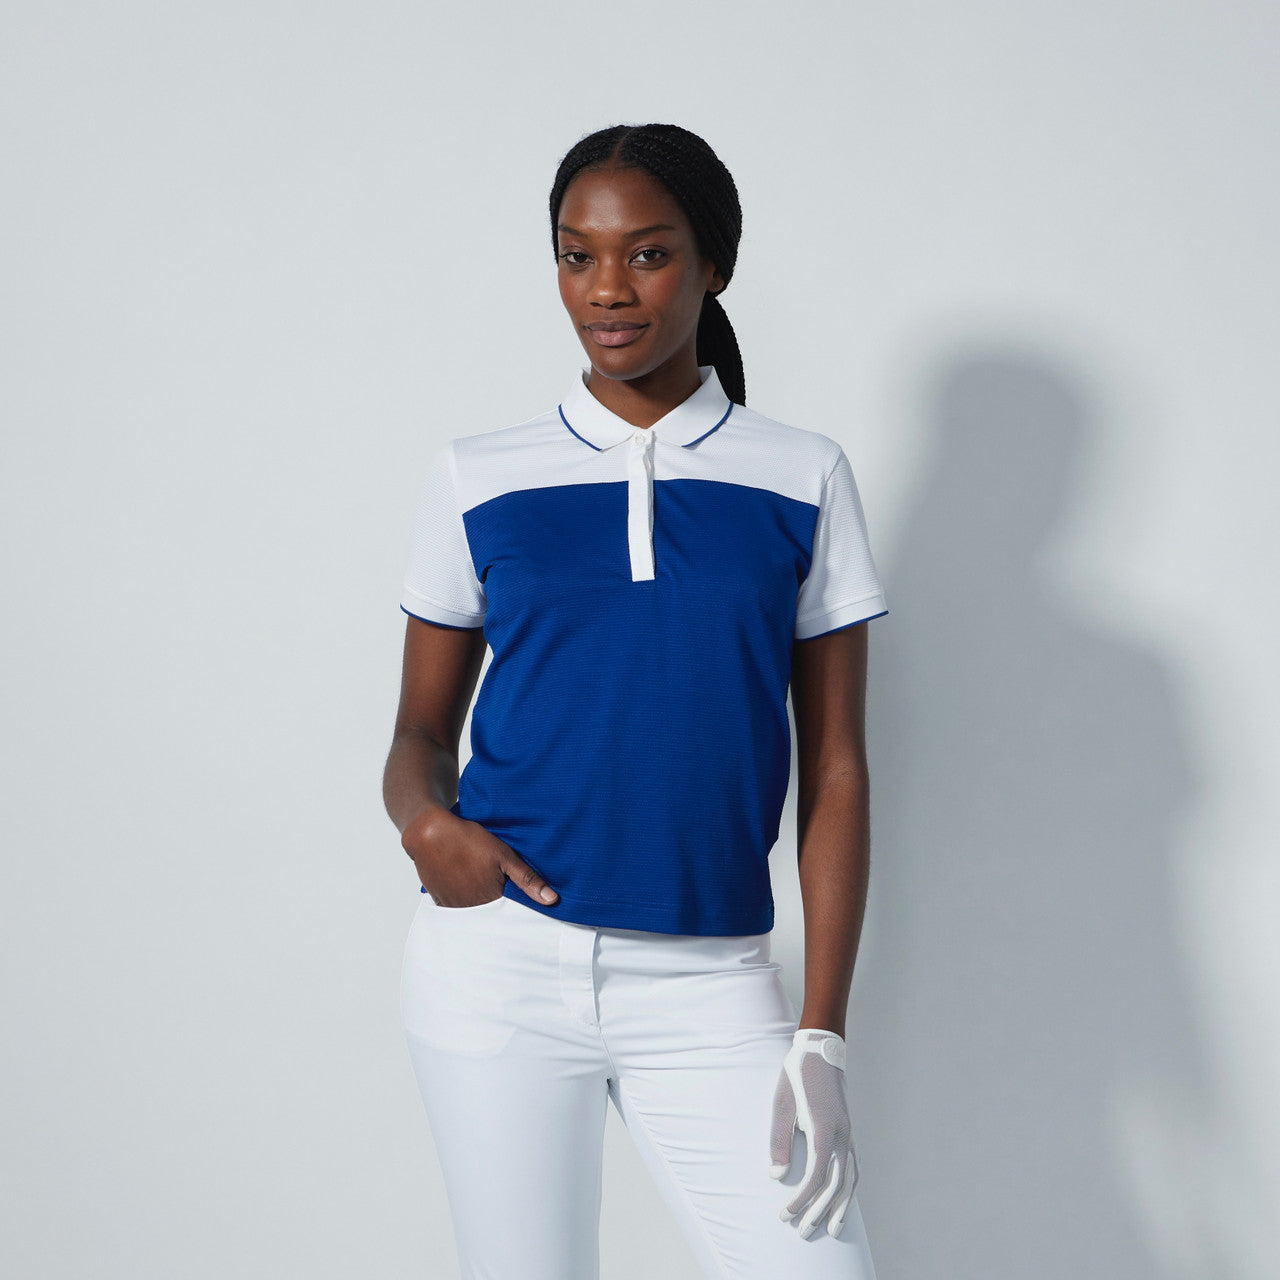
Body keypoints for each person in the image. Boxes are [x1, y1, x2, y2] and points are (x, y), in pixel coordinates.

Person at [383, 122, 886, 1280]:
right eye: (577, 255)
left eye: (647, 254)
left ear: (713, 264)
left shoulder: (801, 475)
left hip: (710, 982)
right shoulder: (477, 474)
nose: (606, 288)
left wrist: (819, 1030)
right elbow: (417, 732)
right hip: (497, 967)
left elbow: (837, 768)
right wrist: (423, 823)